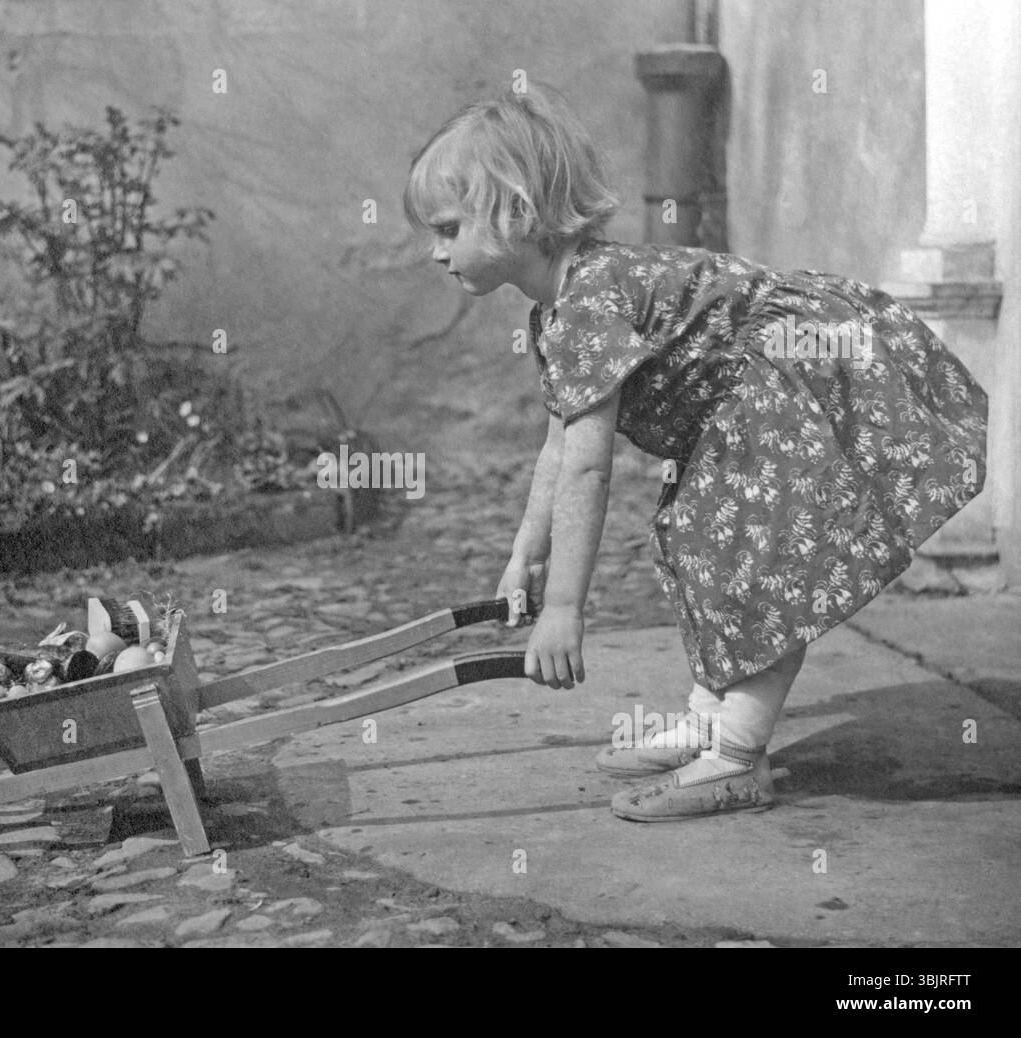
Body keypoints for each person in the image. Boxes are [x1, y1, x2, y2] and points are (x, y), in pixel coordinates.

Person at [401, 82, 988, 821]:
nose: (435, 251)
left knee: (756, 563)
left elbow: (589, 464)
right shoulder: (559, 305)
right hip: (745, 407)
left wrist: (564, 610)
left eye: (449, 229)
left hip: (789, 382)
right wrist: (526, 553)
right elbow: (559, 446)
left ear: (516, 213)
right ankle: (712, 725)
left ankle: (737, 757)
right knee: (703, 544)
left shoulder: (591, 298)